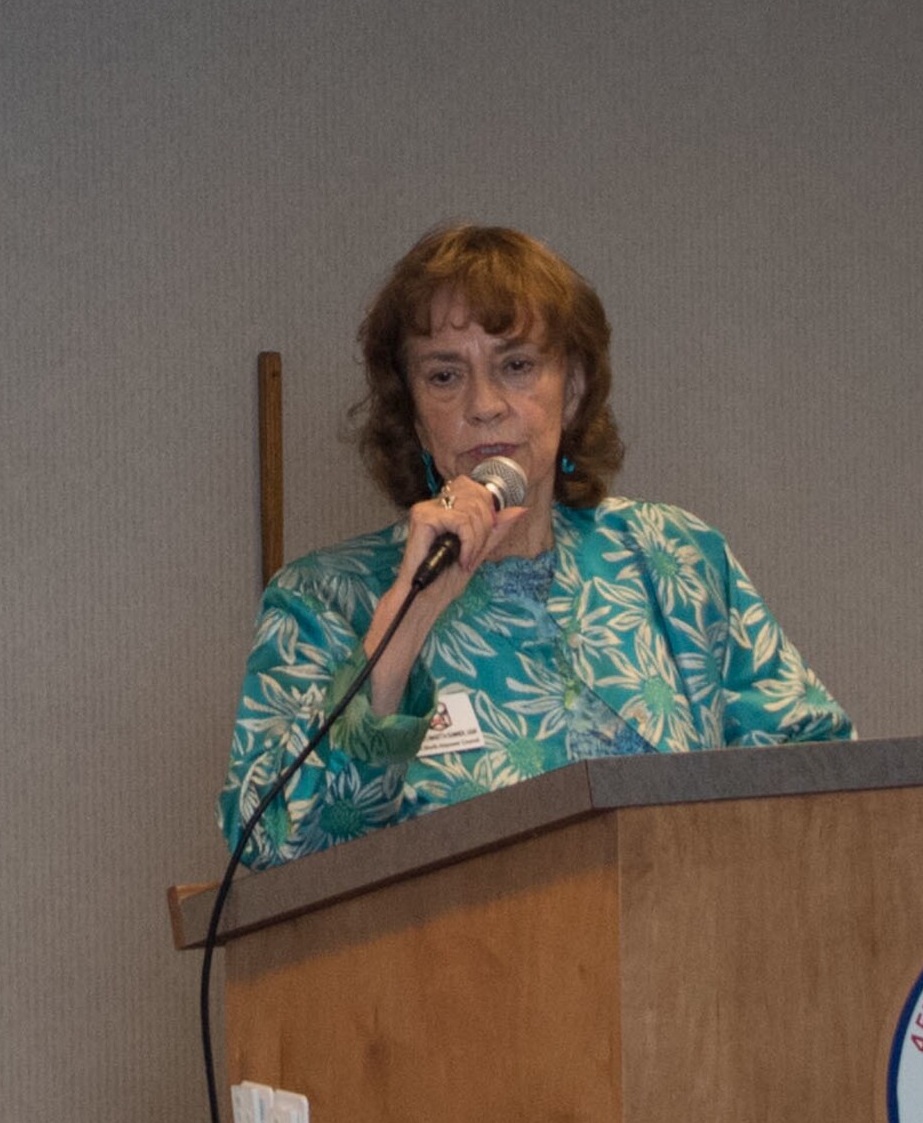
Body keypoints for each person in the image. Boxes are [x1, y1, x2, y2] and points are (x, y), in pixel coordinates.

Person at [220, 223, 852, 868]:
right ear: (412, 412)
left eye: (517, 366)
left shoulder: (676, 558)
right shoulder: (324, 599)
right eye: (444, 376)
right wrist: (403, 627)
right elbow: (274, 851)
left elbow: (819, 778)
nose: (484, 405)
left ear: (572, 390)